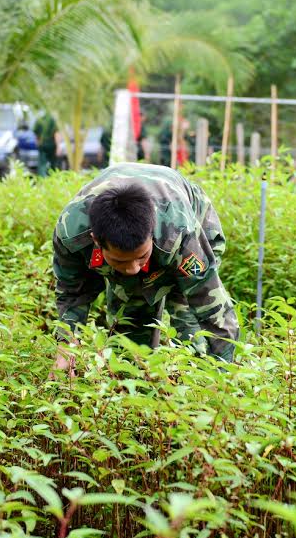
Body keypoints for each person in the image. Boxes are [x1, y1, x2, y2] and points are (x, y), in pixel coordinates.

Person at [51, 163, 239, 374]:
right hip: (141, 239)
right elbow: (72, 293)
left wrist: (224, 376)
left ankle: (189, 381)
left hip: (191, 221)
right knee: (130, 338)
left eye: (141, 257)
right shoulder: (71, 232)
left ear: (152, 234)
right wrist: (66, 346)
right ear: (96, 241)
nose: (132, 269)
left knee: (189, 325)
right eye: (120, 261)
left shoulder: (178, 234)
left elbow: (213, 308)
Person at [34, 112, 60, 177]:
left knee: (42, 164)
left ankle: (42, 180)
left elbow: (36, 134)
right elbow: (56, 134)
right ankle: (53, 179)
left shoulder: (39, 119)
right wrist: (58, 147)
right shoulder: (53, 120)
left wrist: (38, 143)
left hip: (42, 145)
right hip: (52, 145)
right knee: (53, 164)